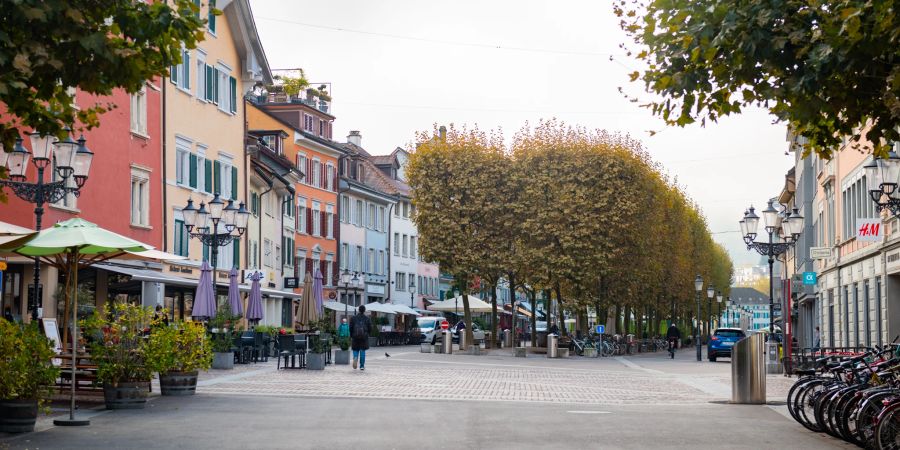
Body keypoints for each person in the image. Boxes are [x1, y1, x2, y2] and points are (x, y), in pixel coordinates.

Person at [349, 305, 372, 371]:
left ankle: (355, 357)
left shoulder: (353, 318)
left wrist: (351, 335)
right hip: (364, 337)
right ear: (364, 310)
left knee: (355, 349)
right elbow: (370, 328)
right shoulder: (367, 318)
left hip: (355, 336)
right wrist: (368, 334)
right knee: (362, 351)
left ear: (359, 310)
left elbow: (350, 328)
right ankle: (362, 366)